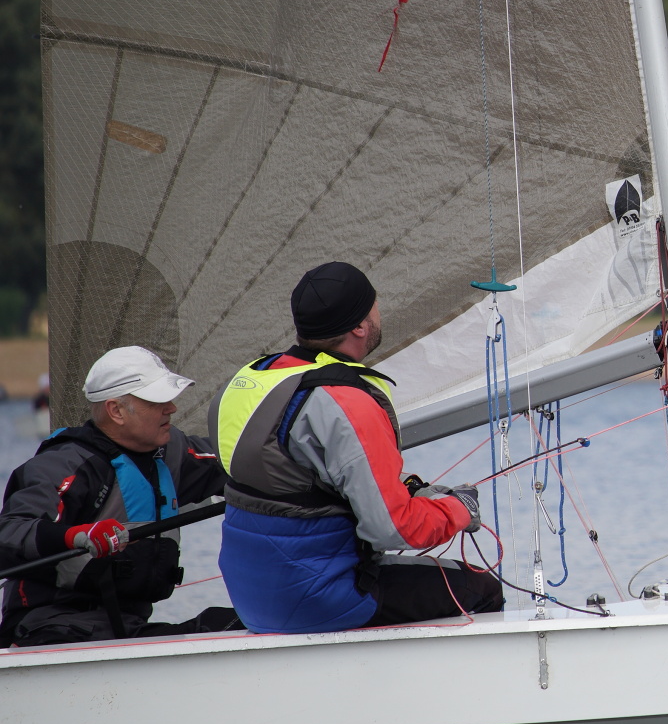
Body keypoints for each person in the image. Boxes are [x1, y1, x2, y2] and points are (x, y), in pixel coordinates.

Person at [213, 261, 502, 634]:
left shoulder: (251, 378)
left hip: (252, 595)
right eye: (375, 305)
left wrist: (412, 492)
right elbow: (392, 529)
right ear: (360, 327)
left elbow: (300, 478)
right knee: (481, 588)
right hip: (319, 597)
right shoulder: (347, 403)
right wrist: (459, 509)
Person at [0, 347, 239, 647]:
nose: (172, 408)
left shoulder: (171, 453)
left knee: (238, 623)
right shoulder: (63, 465)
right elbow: (9, 532)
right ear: (116, 411)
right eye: (157, 401)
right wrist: (76, 535)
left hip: (126, 626)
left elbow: (240, 464)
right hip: (52, 628)